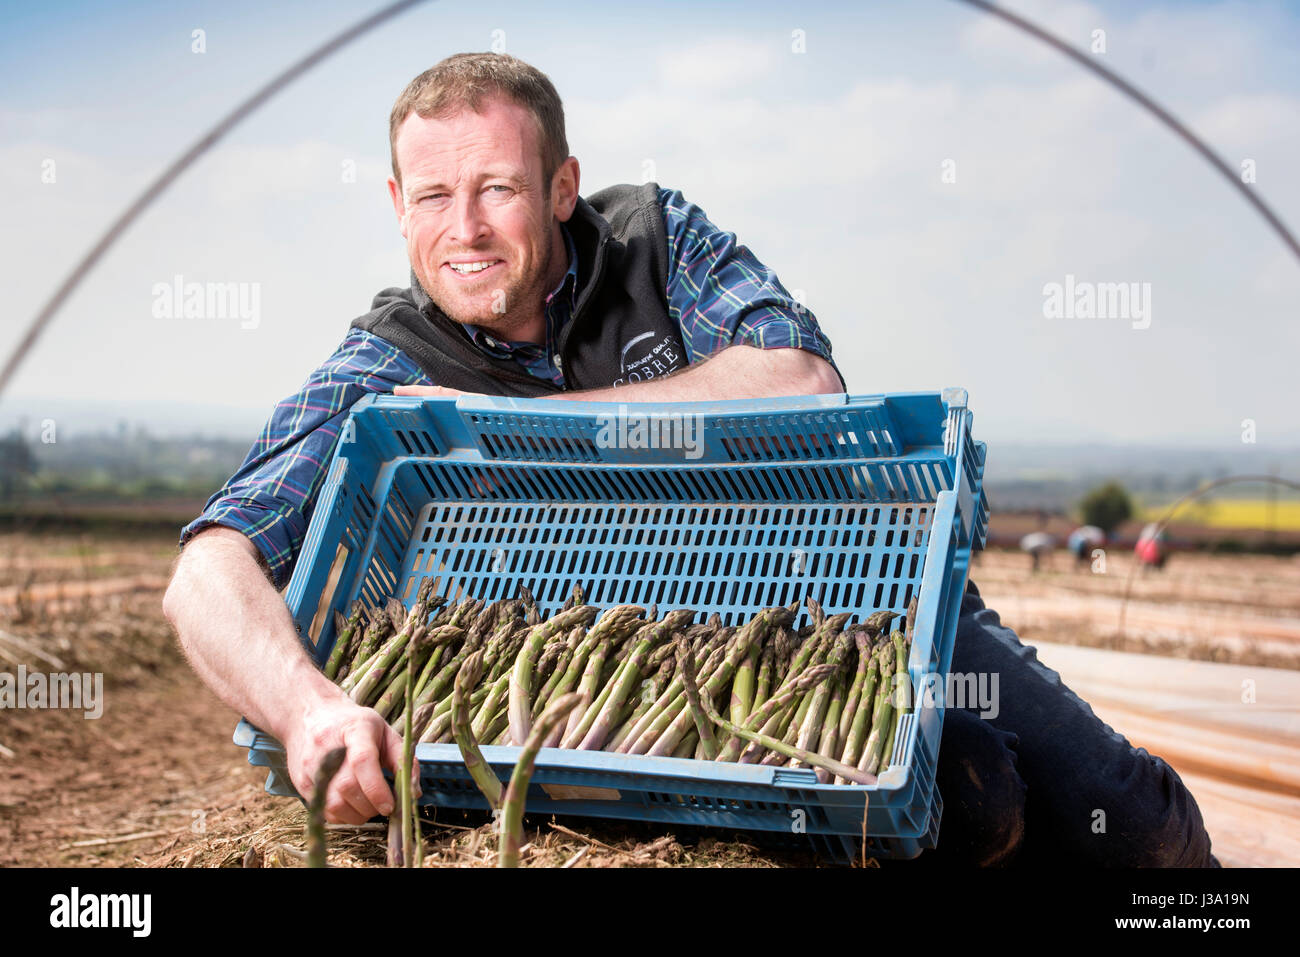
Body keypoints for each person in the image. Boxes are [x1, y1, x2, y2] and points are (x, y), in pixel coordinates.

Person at [163, 53, 1216, 867]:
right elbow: (209, 568)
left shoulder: (655, 239)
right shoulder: (384, 365)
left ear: (563, 186)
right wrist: (310, 713)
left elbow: (799, 376)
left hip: (847, 601)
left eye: (499, 189)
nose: (467, 228)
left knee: (1133, 825)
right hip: (629, 665)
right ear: (398, 208)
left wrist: (533, 423)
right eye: (434, 198)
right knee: (976, 805)